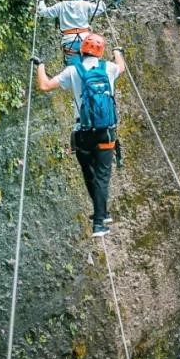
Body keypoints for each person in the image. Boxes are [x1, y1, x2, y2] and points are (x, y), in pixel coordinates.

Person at [33, 34, 126, 237]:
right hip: (106, 133)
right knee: (102, 176)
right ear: (101, 52)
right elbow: (121, 67)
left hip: (83, 134)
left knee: (90, 173)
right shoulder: (109, 68)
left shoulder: (73, 70)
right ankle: (100, 221)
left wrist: (40, 65)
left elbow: (44, 85)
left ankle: (101, 215)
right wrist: (118, 53)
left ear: (81, 50)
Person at [36, 0, 107, 64]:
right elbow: (101, 8)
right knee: (89, 68)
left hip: (69, 41)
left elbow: (43, 12)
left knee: (73, 71)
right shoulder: (84, 4)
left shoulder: (60, 6)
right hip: (86, 41)